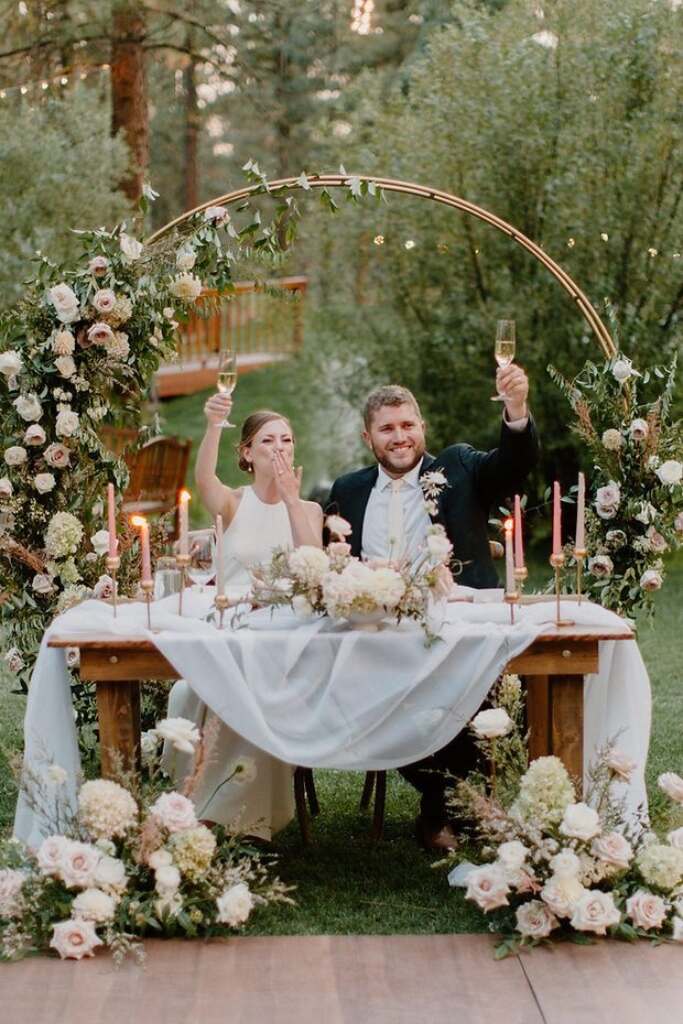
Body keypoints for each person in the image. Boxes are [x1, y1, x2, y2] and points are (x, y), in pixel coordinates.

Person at [326, 362, 539, 850]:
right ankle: (454, 803)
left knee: (495, 692)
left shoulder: (460, 467)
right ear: (368, 437)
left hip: (463, 621)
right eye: (387, 429)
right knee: (387, 698)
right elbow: (335, 563)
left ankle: (444, 807)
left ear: (422, 428)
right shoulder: (348, 491)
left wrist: (516, 409)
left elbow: (514, 466)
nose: (399, 437)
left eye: (407, 425)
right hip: (382, 635)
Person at [164, 392, 323, 840]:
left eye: (287, 440)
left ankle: (248, 820)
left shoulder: (309, 510)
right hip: (227, 629)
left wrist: (292, 501)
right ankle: (195, 806)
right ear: (248, 453)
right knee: (196, 691)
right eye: (268, 440)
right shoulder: (233, 502)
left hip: (284, 637)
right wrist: (214, 425)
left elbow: (315, 565)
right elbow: (203, 476)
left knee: (258, 691)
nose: (280, 449)